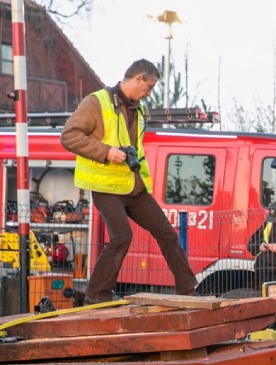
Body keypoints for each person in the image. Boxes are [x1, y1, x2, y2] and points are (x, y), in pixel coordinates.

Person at [60, 58, 197, 304]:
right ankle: (96, 296)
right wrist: (106, 152)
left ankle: (189, 292)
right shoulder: (96, 102)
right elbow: (69, 136)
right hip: (106, 187)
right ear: (138, 79)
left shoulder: (138, 108)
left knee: (167, 233)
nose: (149, 93)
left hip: (133, 186)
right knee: (122, 237)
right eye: (150, 86)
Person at [247, 200, 276, 291]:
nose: (274, 222)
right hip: (264, 271)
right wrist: (259, 246)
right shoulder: (269, 223)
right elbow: (251, 243)